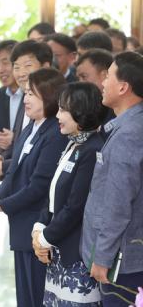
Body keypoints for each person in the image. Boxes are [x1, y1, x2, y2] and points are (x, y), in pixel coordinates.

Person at [0, 68, 68, 307]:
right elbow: (15, 169)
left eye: (32, 94)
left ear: (50, 97)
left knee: (38, 295)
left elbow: (39, 186)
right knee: (25, 296)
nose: (25, 99)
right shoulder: (30, 127)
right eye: (25, 93)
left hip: (39, 227)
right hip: (22, 224)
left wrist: (0, 206)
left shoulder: (55, 133)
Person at [32, 82, 107, 306]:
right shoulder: (73, 144)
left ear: (81, 111)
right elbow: (54, 191)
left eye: (63, 109)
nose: (57, 115)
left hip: (76, 255)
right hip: (58, 249)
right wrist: (39, 228)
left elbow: (76, 207)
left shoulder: (93, 149)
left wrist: (44, 238)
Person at [81, 51, 143, 306]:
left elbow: (118, 203)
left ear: (123, 87)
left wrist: (103, 256)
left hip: (122, 259)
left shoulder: (129, 134)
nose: (103, 83)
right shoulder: (127, 126)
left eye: (108, 76)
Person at [0, 40, 52, 179]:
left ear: (45, 66)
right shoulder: (16, 97)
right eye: (17, 67)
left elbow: (37, 155)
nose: (21, 73)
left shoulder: (53, 103)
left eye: (27, 65)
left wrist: (2, 165)